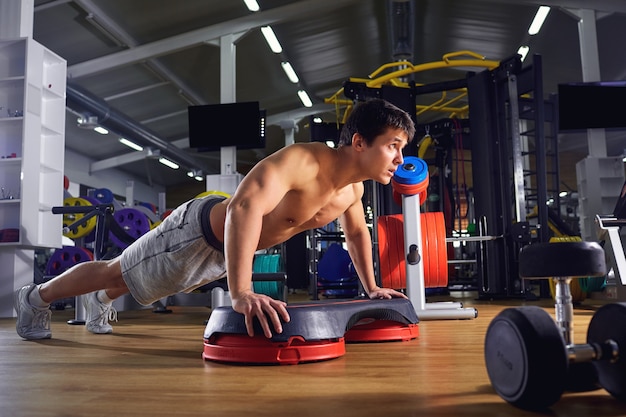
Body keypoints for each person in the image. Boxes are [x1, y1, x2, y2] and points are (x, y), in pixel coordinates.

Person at [15, 98, 416, 340]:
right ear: (360, 143)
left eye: (402, 149)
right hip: (196, 233)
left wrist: (373, 287)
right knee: (114, 271)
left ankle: (100, 301)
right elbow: (244, 208)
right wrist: (241, 293)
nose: (400, 159)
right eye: (393, 146)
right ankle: (34, 299)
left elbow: (357, 235)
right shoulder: (301, 162)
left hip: (225, 252)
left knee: (141, 282)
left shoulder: (353, 191)